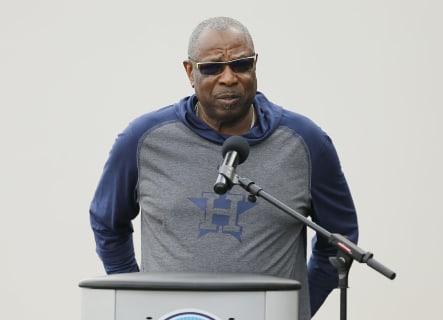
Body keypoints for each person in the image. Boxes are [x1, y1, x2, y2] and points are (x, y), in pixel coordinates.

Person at [89, 16, 359, 320]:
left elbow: (339, 239)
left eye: (241, 64)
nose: (229, 78)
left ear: (255, 65)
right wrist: (137, 298)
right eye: (213, 67)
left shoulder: (306, 142)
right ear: (190, 71)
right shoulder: (142, 140)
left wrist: (295, 309)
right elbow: (108, 223)